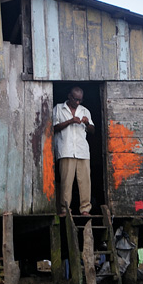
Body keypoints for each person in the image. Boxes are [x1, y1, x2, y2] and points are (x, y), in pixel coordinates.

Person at [52, 87, 95, 216]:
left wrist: (87, 124)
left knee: (85, 181)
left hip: (82, 151)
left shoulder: (85, 110)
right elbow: (54, 127)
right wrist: (70, 121)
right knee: (66, 181)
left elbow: (92, 130)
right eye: (75, 99)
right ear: (69, 96)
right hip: (66, 150)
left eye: (80, 100)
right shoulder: (59, 108)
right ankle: (65, 209)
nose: (77, 102)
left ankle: (85, 209)